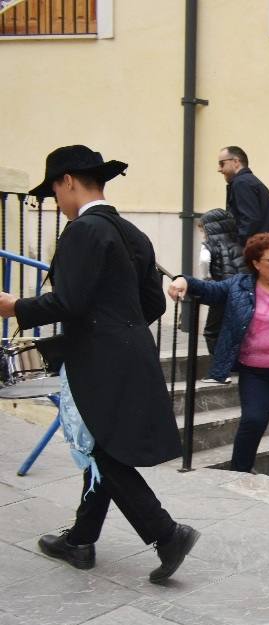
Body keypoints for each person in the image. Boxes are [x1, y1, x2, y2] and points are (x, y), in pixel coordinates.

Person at [0, 145, 199, 583]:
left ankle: (166, 534)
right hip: (131, 350)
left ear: (68, 180)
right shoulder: (133, 233)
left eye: (54, 189)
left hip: (100, 360)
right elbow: (151, 304)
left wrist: (16, 306)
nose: (55, 199)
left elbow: (68, 302)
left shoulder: (83, 231)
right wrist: (119, 329)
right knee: (101, 446)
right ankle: (81, 539)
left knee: (99, 449)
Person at [168, 232, 269, 481]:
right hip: (254, 371)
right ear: (255, 263)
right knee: (253, 419)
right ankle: (239, 473)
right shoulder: (238, 286)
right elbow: (208, 290)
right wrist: (182, 280)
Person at [196, 208, 244, 385]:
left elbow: (204, 260)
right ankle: (234, 366)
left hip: (221, 291)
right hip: (240, 292)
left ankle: (220, 371)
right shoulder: (238, 243)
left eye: (202, 229)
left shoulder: (209, 245)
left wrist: (205, 278)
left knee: (212, 331)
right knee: (233, 330)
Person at [218, 146, 269, 247]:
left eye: (222, 164)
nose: (219, 169)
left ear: (236, 162)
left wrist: (235, 247)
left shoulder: (242, 183)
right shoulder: (248, 181)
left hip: (256, 253)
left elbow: (249, 220)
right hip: (264, 251)